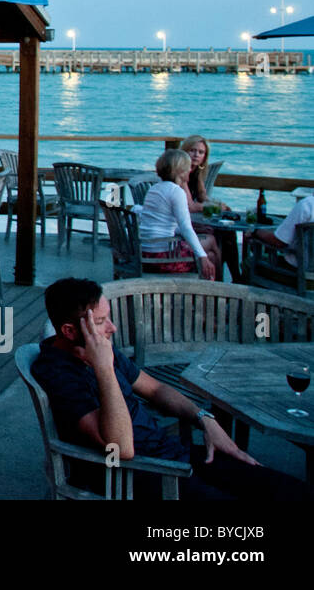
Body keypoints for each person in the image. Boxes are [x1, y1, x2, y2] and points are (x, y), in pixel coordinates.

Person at [31, 277, 310, 499]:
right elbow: (121, 449)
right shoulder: (59, 373)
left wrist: (204, 419)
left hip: (171, 454)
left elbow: (155, 390)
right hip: (137, 474)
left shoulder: (98, 348)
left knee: (287, 489)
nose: (113, 329)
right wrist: (104, 369)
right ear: (68, 331)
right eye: (102, 322)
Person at [140, 149, 220, 279]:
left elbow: (161, 223)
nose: (190, 170)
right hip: (162, 256)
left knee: (210, 255)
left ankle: (214, 291)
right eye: (188, 168)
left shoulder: (154, 189)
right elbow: (186, 228)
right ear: (180, 171)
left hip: (145, 252)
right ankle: (219, 291)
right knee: (210, 244)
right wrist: (202, 257)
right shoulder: (176, 192)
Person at [180, 134, 238, 278]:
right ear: (185, 151)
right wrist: (213, 208)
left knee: (228, 231)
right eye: (192, 150)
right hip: (181, 222)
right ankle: (232, 278)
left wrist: (218, 205)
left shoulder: (196, 171)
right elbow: (191, 206)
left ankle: (235, 275)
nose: (196, 155)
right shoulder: (181, 172)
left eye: (200, 152)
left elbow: (202, 197)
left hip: (189, 219)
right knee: (216, 233)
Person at [255, 193, 314, 270]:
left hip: (302, 273)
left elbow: (280, 241)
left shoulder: (307, 205)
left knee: (249, 263)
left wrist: (256, 232)